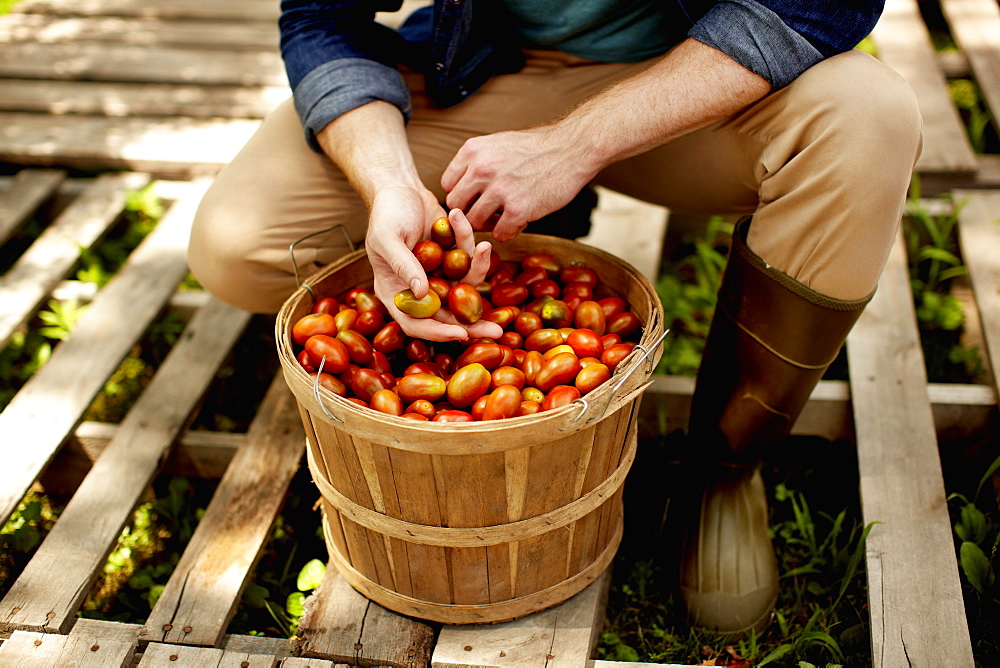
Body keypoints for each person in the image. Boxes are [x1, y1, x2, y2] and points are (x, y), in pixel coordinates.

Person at [187, 0, 922, 635]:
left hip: (694, 76)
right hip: (482, 69)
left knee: (868, 118)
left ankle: (727, 469)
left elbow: (820, 6)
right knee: (237, 241)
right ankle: (515, 220)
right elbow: (323, 15)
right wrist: (387, 183)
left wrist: (576, 143)